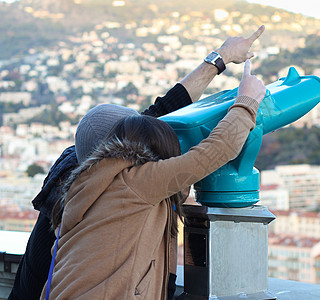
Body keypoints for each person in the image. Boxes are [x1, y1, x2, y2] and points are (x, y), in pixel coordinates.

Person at [8, 25, 265, 300]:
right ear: (123, 150)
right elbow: (209, 155)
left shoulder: (85, 172)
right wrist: (247, 101)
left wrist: (221, 57)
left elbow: (159, 114)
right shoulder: (133, 183)